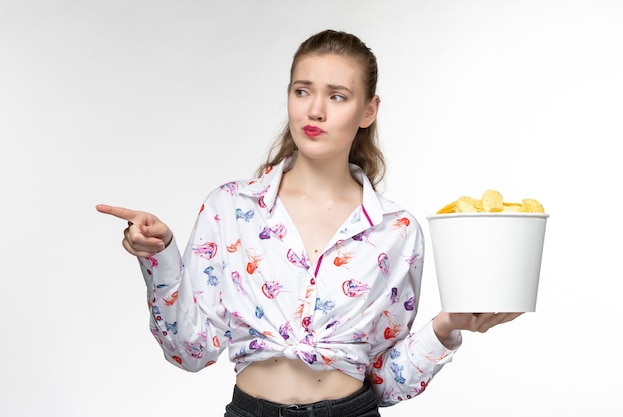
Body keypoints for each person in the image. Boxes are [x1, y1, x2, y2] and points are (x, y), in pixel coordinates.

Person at [97, 29, 522, 417]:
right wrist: (161, 257)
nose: (315, 110)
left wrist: (446, 325)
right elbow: (189, 352)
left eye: (337, 96)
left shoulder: (396, 231)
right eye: (303, 91)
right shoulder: (231, 208)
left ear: (368, 110)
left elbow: (386, 384)